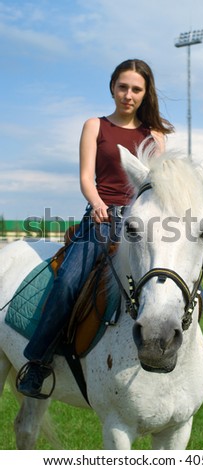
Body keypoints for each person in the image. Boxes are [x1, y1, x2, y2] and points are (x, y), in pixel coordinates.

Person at [17, 59, 174, 398]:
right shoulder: (95, 126)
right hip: (103, 219)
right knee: (68, 281)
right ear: (112, 87)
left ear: (146, 93)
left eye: (136, 89)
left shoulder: (156, 136)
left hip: (142, 223)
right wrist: (99, 204)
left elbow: (159, 186)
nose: (128, 95)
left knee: (180, 282)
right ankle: (38, 361)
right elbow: (87, 178)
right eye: (122, 87)